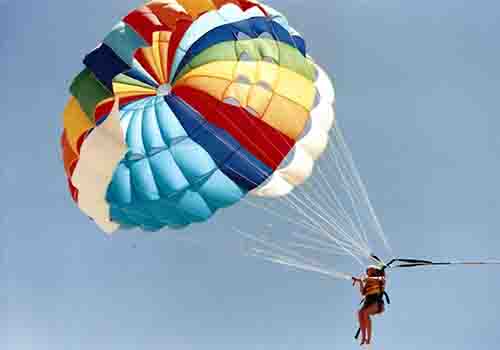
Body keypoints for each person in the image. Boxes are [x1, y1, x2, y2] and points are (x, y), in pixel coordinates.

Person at [352, 265, 387, 346]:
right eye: (367, 271)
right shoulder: (367, 282)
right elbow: (363, 293)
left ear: (375, 271)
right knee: (360, 313)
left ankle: (369, 338)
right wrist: (360, 282)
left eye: (370, 270)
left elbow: (382, 279)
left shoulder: (380, 279)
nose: (368, 272)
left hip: (376, 302)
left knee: (365, 313)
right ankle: (363, 337)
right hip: (367, 301)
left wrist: (368, 279)